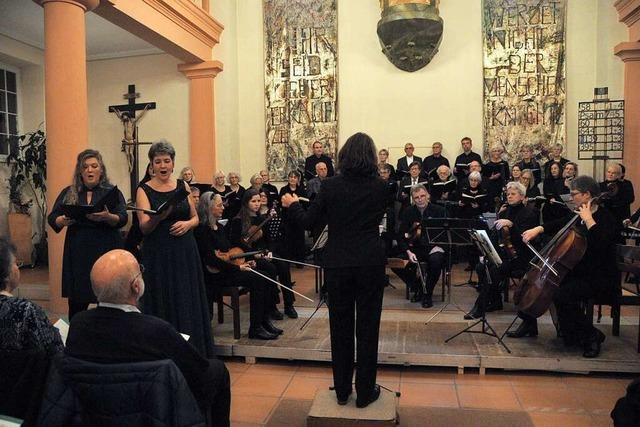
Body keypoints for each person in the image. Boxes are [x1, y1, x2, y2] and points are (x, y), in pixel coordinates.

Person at [281, 132, 387, 408]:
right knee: (368, 327)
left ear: (344, 156)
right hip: (370, 262)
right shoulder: (381, 187)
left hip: (338, 262)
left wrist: (292, 206)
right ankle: (365, 392)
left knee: (339, 327)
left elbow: (307, 221)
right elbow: (389, 227)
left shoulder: (330, 186)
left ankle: (342, 391)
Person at [65, 249, 230, 426]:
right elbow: (199, 374)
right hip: (153, 412)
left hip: (95, 413)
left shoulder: (78, 325)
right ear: (136, 286)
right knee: (217, 371)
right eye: (140, 270)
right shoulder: (156, 330)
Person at [518, 176, 620, 358]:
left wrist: (589, 221)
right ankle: (571, 333)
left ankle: (592, 336)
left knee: (562, 294)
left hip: (600, 276)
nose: (571, 198)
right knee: (554, 290)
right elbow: (560, 224)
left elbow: (602, 246)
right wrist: (539, 229)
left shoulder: (606, 217)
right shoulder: (578, 214)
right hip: (579, 273)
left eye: (574, 194)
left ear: (587, 194)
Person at [136, 140, 213, 357]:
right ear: (151, 165)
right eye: (157, 161)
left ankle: (192, 351)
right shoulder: (143, 189)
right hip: (158, 252)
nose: (162, 165)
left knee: (185, 297)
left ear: (172, 163)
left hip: (184, 251)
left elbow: (196, 217)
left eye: (166, 161)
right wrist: (159, 217)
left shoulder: (183, 186)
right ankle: (163, 352)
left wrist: (188, 224)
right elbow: (144, 227)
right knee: (162, 296)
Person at [48, 149, 128, 319]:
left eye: (94, 166)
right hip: (79, 253)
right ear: (80, 172)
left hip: (105, 249)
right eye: (85, 167)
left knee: (108, 303)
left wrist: (108, 217)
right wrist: (62, 220)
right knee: (77, 305)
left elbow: (122, 217)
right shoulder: (69, 192)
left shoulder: (112, 192)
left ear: (101, 170)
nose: (90, 170)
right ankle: (77, 338)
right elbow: (52, 218)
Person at [194, 193, 280, 339]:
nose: (223, 207)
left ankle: (264, 321)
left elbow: (228, 253)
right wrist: (238, 268)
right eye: (219, 205)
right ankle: (255, 328)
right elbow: (211, 260)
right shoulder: (202, 230)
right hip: (215, 275)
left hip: (227, 269)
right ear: (208, 208)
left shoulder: (219, 227)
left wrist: (245, 261)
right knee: (258, 280)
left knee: (265, 275)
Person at [464, 182, 537, 319]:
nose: (509, 196)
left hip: (520, 256)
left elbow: (526, 238)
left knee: (494, 270)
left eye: (513, 194)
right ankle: (496, 301)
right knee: (481, 266)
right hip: (505, 253)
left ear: (522, 196)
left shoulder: (530, 212)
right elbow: (497, 235)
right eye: (508, 194)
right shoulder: (505, 211)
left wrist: (512, 225)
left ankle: (480, 306)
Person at [229, 189, 294, 319]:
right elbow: (236, 243)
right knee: (271, 268)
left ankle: (289, 304)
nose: (257, 204)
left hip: (263, 252)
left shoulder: (261, 219)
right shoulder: (238, 220)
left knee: (283, 265)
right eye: (253, 201)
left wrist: (269, 251)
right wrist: (254, 255)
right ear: (246, 202)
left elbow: (269, 240)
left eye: (259, 201)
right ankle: (271, 307)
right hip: (248, 256)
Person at [0, 237, 63, 355]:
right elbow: (54, 351)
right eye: (15, 263)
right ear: (6, 274)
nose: (17, 268)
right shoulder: (25, 311)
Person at [394, 185, 446, 308]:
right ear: (413, 199)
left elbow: (446, 233)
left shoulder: (440, 210)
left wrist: (439, 246)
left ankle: (427, 293)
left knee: (436, 260)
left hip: (434, 247)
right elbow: (400, 235)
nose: (420, 199)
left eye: (422, 196)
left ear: (428, 196)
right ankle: (417, 286)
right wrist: (408, 252)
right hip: (415, 248)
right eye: (416, 197)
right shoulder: (408, 212)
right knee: (396, 261)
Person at [279, 170, 308, 264]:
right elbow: (281, 204)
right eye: (291, 177)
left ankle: (300, 261)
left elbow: (305, 204)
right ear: (288, 178)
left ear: (298, 179)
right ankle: (288, 260)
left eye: (295, 177)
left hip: (298, 218)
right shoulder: (283, 189)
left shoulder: (302, 190)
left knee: (299, 240)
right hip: (287, 218)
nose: (292, 179)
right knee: (288, 240)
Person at [600, 162, 635, 233]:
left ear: (619, 175)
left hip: (620, 218)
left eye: (614, 173)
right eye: (609, 172)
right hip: (606, 219)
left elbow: (630, 199)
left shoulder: (625, 185)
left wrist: (613, 200)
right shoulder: (601, 185)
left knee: (620, 241)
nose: (610, 174)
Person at [482, 145, 509, 211]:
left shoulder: (504, 164)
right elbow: (484, 179)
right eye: (494, 151)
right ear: (491, 153)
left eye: (498, 151)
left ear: (501, 152)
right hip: (491, 189)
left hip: (501, 187)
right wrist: (492, 178)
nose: (496, 153)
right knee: (491, 207)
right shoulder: (487, 165)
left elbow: (507, 177)